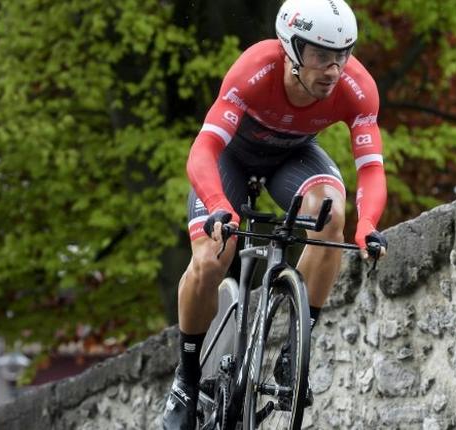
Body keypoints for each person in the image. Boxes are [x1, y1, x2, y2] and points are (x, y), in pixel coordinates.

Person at [162, 0, 388, 428]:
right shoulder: (254, 71)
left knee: (330, 214)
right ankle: (187, 378)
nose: (333, 70)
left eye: (342, 56)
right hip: (232, 158)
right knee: (211, 257)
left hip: (291, 157)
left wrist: (370, 226)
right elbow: (204, 150)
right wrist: (218, 206)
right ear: (291, 50)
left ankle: (292, 352)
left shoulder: (358, 87)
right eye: (321, 56)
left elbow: (372, 169)